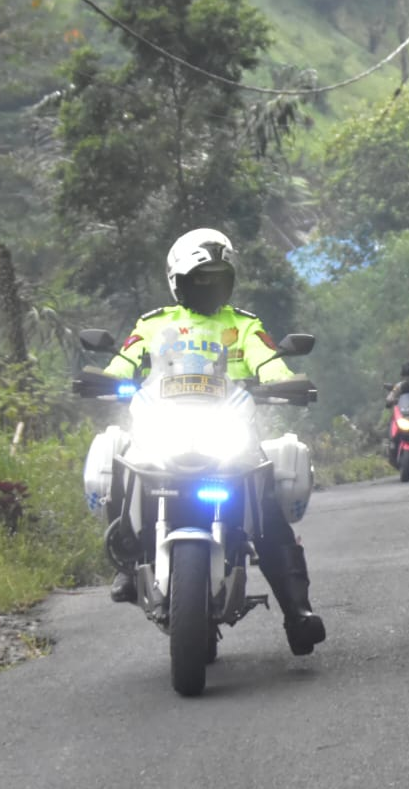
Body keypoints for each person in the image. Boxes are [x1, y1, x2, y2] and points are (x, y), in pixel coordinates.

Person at [101, 228, 326, 656]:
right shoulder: (154, 325)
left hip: (229, 429)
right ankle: (128, 565)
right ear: (178, 280)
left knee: (266, 510)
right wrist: (107, 381)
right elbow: (123, 361)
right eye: (199, 278)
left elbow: (271, 364)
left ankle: (297, 613)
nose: (209, 286)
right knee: (120, 456)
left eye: (217, 277)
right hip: (166, 425)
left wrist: (288, 383)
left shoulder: (243, 325)